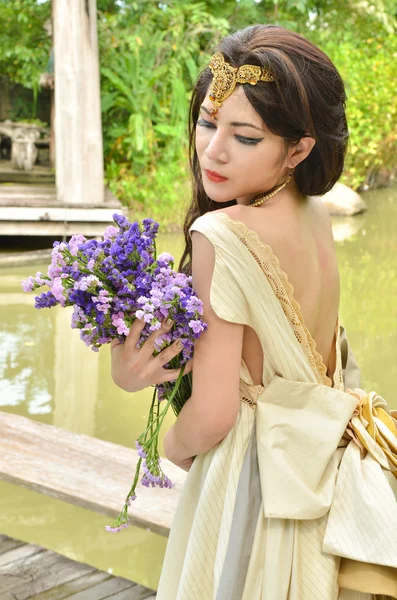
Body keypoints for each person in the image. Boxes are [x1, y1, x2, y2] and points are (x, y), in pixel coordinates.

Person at [111, 24, 397, 600]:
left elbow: (215, 412)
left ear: (299, 148)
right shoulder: (315, 212)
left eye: (244, 136)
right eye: (208, 123)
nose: (213, 150)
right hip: (318, 465)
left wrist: (166, 447)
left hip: (254, 472)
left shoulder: (222, 232)